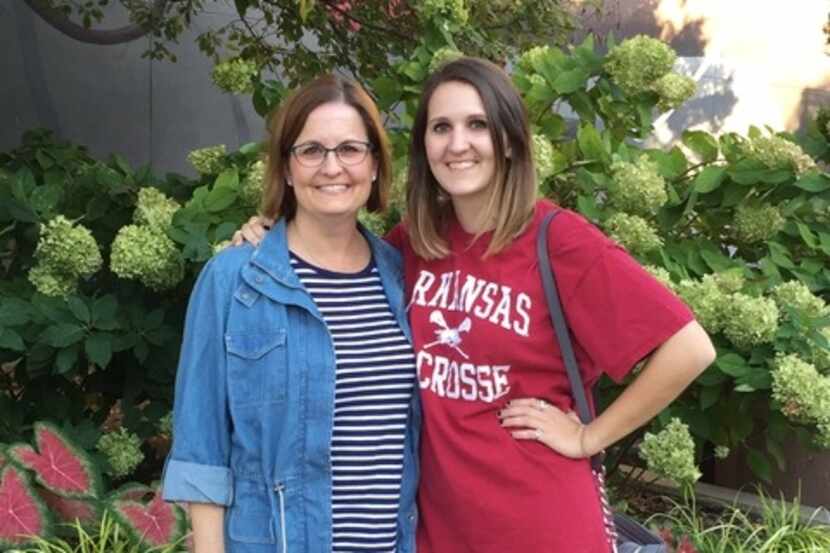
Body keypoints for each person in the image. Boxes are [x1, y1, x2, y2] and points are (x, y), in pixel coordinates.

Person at [236, 57, 716, 553]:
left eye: (477, 125)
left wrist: (589, 438)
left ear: (507, 140)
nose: (457, 144)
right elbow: (332, 267)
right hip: (439, 531)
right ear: (424, 145)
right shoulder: (414, 244)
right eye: (441, 127)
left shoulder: (560, 242)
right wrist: (271, 240)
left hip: (543, 528)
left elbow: (689, 348)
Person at [163, 74, 420, 553]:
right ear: (285, 166)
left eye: (350, 149)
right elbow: (201, 449)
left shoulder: (403, 278)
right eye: (311, 150)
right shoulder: (234, 281)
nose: (332, 167)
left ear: (375, 165)